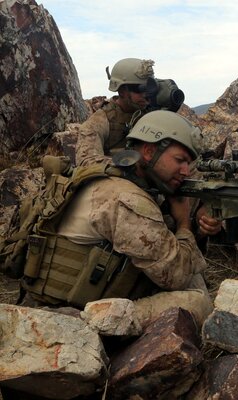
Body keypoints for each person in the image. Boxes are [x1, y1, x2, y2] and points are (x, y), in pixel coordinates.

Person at [21, 110, 222, 321]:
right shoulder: (128, 199)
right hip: (68, 314)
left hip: (78, 291)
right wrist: (183, 222)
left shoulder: (118, 174)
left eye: (188, 163)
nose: (185, 171)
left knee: (194, 277)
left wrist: (199, 225)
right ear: (148, 150)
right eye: (179, 160)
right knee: (196, 303)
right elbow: (176, 276)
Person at [75, 58, 156, 167]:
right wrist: (129, 166)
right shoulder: (100, 120)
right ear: (122, 91)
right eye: (140, 89)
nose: (145, 95)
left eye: (149, 89)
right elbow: (86, 161)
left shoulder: (151, 114)